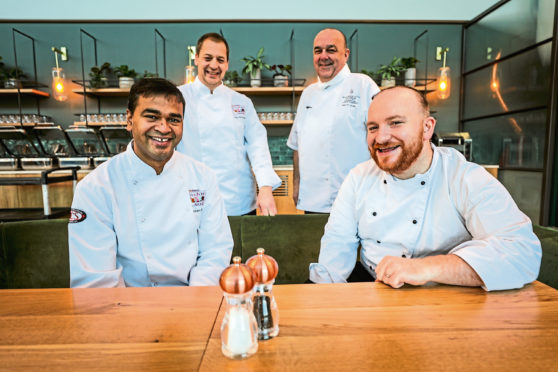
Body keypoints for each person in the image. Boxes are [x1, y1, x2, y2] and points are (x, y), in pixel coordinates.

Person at [309, 86, 541, 291]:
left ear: (427, 128)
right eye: (372, 127)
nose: (381, 137)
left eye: (395, 123)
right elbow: (336, 249)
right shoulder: (358, 178)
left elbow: (523, 253)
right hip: (376, 293)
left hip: (449, 300)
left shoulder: (464, 177)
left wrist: (424, 268)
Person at [69, 78, 233, 288]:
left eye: (174, 119)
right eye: (152, 117)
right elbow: (96, 280)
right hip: (125, 308)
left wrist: (195, 304)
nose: (164, 128)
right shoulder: (96, 188)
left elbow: (215, 251)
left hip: (193, 301)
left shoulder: (203, 177)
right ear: (129, 120)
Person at [176, 32, 281, 216]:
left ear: (227, 64)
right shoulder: (178, 98)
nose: (214, 65)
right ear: (197, 59)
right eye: (208, 58)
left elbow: (257, 146)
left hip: (238, 201)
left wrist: (265, 187)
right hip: (193, 201)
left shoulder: (241, 102)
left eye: (220, 59)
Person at [287, 28, 380, 213]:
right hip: (312, 201)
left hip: (356, 201)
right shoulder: (308, 94)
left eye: (331, 50)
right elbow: (298, 145)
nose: (323, 56)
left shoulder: (363, 85)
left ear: (346, 54)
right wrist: (296, 184)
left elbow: (382, 139)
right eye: (318, 51)